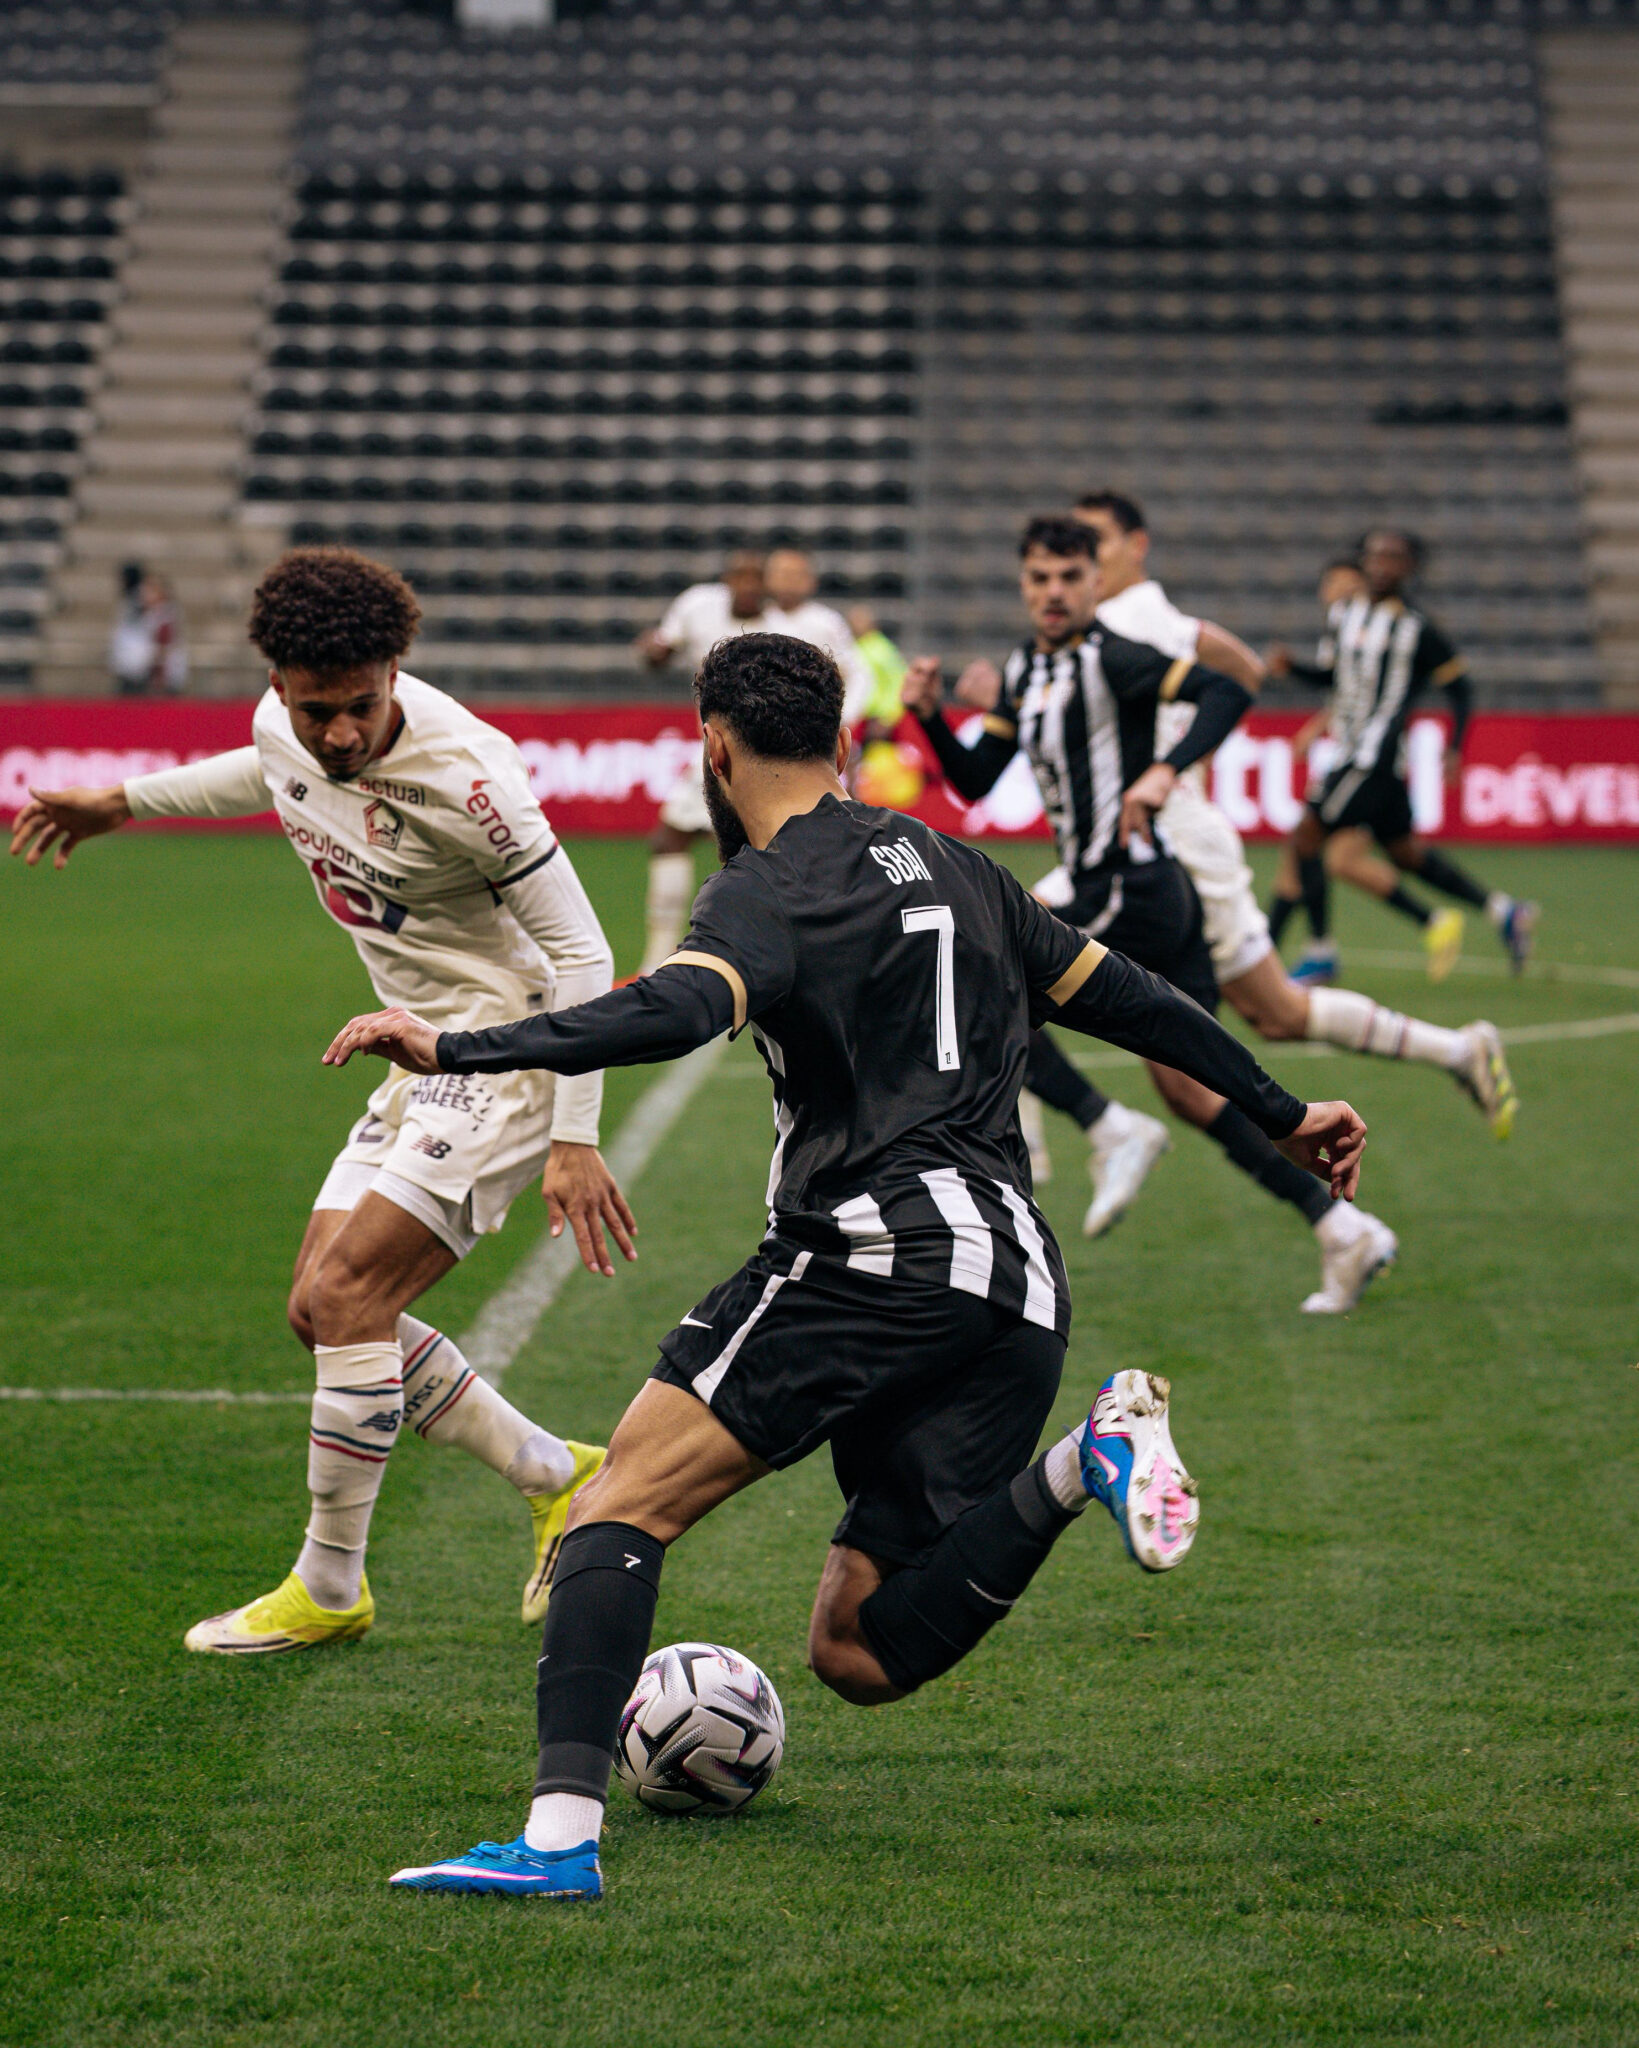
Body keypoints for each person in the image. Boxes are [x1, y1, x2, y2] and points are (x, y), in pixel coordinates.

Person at [320, 630, 1367, 1900]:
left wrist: (461, 1045)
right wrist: (1278, 1108)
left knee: (616, 1504)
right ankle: (1084, 1457)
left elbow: (676, 1007)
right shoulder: (964, 867)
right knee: (858, 1646)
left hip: (875, 1250)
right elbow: (1130, 997)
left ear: (713, 745)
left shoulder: (768, 887)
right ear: (841, 740)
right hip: (1015, 1287)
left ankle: (555, 1840)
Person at [10, 547, 631, 1652]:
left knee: (348, 1294)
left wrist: (574, 1137)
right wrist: (123, 801)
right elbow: (264, 767)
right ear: (279, 685)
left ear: (395, 674)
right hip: (413, 1048)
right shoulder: (282, 723)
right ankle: (556, 1472)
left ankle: (330, 1587)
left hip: (504, 1047)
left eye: (360, 707)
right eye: (314, 710)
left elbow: (583, 956)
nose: (338, 733)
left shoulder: (471, 781)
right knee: (321, 1309)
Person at [904, 516, 1398, 1315]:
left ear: (1094, 581)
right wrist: (929, 716)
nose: (1054, 592)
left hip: (1125, 886)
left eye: (1069, 577)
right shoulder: (1025, 668)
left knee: (974, 980)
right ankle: (1345, 1230)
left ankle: (1104, 1127)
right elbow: (974, 780)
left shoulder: (1114, 657)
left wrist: (1165, 769)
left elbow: (1227, 689)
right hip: (1139, 892)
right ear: (1022, 584)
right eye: (1039, 578)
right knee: (1193, 1093)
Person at [1063, 497, 1516, 1139]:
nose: (1080, 556)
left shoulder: (1126, 617)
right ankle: (1454, 1050)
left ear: (1135, 546)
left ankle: (1084, 1133)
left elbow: (1237, 676)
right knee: (1265, 1021)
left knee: (1008, 943)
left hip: (1170, 844)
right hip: (1147, 840)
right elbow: (1246, 669)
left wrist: (1175, 770)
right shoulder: (1136, 616)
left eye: (1094, 539)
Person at [1265, 529, 1537, 985]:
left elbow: (1460, 688)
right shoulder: (1345, 615)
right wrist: (1293, 668)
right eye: (1375, 555)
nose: (1381, 564)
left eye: (1393, 557)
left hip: (1374, 756)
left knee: (1307, 836)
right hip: (1359, 756)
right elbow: (1335, 678)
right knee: (1405, 854)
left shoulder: (1416, 629)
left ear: (1409, 568)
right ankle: (1503, 911)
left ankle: (1321, 952)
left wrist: (1455, 747)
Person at [634, 551, 775, 974]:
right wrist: (654, 650)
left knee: (757, 853)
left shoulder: (785, 626)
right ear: (727, 580)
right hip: (713, 755)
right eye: (740, 576)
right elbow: (661, 651)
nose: (747, 585)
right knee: (669, 838)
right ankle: (659, 956)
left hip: (763, 758)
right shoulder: (698, 606)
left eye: (755, 578)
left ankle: (757, 954)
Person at [1266, 556, 1368, 981]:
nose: (1339, 591)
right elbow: (1343, 687)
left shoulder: (1363, 629)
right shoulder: (1342, 628)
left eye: (1348, 583)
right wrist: (1317, 726)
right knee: (1305, 847)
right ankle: (1274, 952)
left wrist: (1293, 669)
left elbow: (1349, 685)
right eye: (1333, 583)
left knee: (1312, 844)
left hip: (1367, 759)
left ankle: (1308, 951)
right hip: (1353, 755)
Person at [109, 566, 187, 696]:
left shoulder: (166, 615)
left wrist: (157, 680)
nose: (143, 592)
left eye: (150, 589)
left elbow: (162, 650)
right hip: (134, 674)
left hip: (153, 680)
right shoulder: (142, 612)